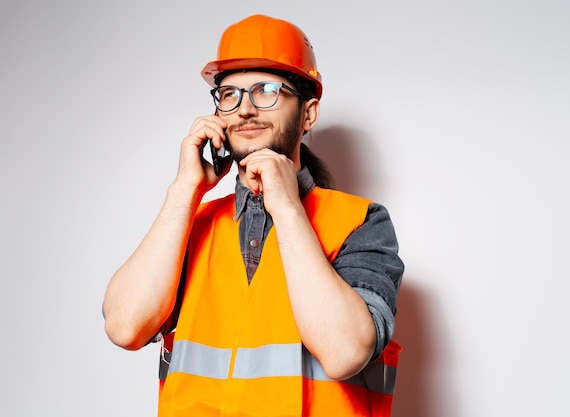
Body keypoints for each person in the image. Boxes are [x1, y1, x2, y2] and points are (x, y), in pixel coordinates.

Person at [102, 14, 404, 417]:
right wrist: (184, 191)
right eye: (230, 94)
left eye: (267, 91)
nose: (245, 109)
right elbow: (124, 327)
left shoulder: (361, 222)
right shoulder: (189, 223)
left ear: (309, 114)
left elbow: (345, 352)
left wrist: (288, 207)